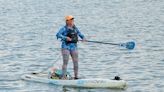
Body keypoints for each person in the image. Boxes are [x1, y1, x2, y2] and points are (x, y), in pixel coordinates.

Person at [56, 15, 86, 79]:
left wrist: (83, 37)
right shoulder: (64, 28)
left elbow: (79, 33)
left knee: (76, 62)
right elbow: (58, 34)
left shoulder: (75, 28)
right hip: (65, 47)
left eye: (72, 20)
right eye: (71, 20)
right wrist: (65, 37)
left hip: (74, 47)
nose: (72, 21)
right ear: (67, 21)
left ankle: (76, 77)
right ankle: (63, 77)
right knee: (65, 62)